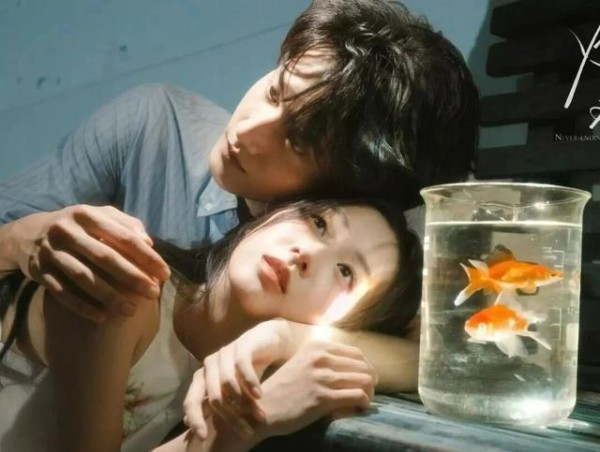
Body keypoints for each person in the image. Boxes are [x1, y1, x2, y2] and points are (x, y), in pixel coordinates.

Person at [0, 0, 479, 322]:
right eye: (275, 91)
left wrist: (291, 341)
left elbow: (451, 347)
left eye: (298, 140)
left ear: (351, 191)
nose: (246, 130)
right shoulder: (154, 126)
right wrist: (22, 239)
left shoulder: (377, 255)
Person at [0, 198, 422, 452]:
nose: (307, 253)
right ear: (273, 213)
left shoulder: (234, 354)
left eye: (346, 272)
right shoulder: (130, 285)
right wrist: (243, 423)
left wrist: (286, 336)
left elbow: (423, 360)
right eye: (319, 223)